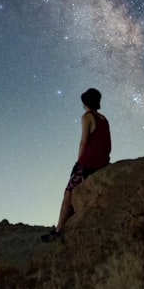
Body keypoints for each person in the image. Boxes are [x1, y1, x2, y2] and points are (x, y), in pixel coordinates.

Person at [41, 88, 111, 242]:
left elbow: (84, 141)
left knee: (68, 192)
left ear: (86, 101)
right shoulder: (104, 119)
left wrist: (79, 163)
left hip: (89, 161)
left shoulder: (87, 117)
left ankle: (59, 231)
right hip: (103, 162)